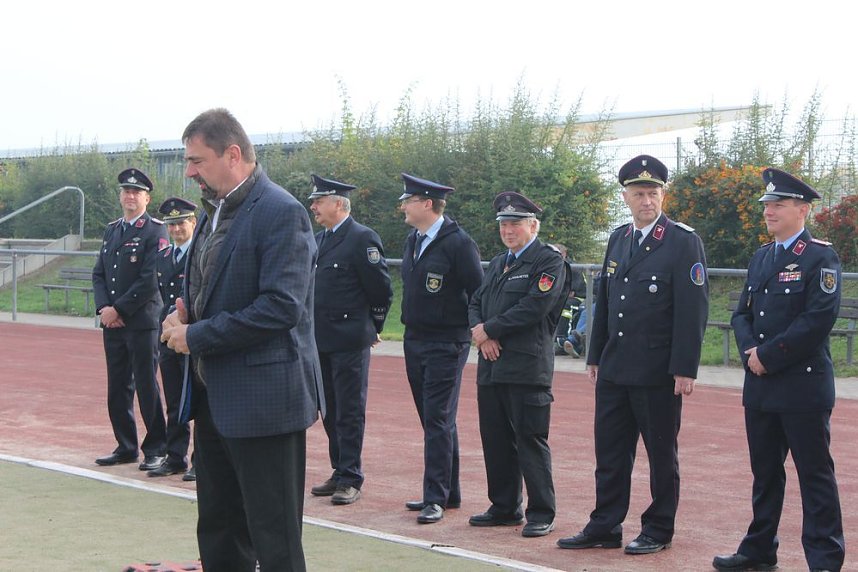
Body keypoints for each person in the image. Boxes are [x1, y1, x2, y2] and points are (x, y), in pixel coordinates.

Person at [160, 108, 323, 571]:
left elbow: (281, 307)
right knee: (219, 529)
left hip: (265, 404)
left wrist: (197, 335)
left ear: (233, 154)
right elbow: (213, 289)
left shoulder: (280, 211)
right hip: (215, 400)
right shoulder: (216, 213)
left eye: (197, 160)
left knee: (274, 538)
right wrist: (183, 316)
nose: (189, 171)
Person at [557, 155, 709, 555]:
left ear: (663, 195)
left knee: (661, 454)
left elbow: (693, 310)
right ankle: (605, 524)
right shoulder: (618, 238)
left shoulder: (681, 241)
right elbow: (605, 300)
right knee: (609, 452)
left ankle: (658, 528)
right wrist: (594, 354)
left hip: (658, 370)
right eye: (639, 193)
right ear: (625, 196)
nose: (647, 200)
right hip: (615, 365)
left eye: (653, 193)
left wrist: (684, 368)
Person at [713, 168, 845, 572]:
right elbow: (741, 315)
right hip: (762, 386)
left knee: (814, 475)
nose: (769, 211)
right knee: (765, 475)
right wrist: (751, 349)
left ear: (802, 210)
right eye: (767, 205)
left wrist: (769, 355)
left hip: (801, 386)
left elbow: (817, 319)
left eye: (779, 205)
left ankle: (824, 558)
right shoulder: (761, 257)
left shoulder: (820, 256)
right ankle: (758, 549)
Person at [468, 191, 570, 538]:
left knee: (530, 439)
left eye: (516, 224)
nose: (508, 231)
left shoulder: (549, 261)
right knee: (495, 439)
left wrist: (490, 329)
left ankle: (541, 511)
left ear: (533, 225)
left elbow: (535, 306)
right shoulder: (500, 263)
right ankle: (504, 506)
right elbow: (476, 302)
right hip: (492, 365)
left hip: (526, 368)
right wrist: (482, 334)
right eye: (504, 225)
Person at [398, 172, 484, 524]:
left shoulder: (458, 243)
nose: (403, 206)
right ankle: (448, 491)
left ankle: (435, 496)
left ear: (427, 204)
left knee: (437, 419)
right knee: (434, 419)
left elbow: (477, 290)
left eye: (408, 201)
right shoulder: (413, 240)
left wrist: (473, 328)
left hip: (446, 342)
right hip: (415, 339)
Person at [307, 174, 393, 506]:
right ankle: (338, 468)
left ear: (339, 204)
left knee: (349, 410)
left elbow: (380, 289)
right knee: (329, 408)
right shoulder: (320, 239)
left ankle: (351, 476)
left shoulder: (361, 238)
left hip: (349, 338)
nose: (313, 205)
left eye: (320, 200)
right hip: (321, 339)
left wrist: (373, 325)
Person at [93, 168, 169, 472]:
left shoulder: (155, 231)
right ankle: (126, 446)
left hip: (140, 322)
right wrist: (103, 309)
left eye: (136, 192)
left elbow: (150, 278)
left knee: (147, 386)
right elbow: (99, 274)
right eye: (126, 191)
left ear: (147, 198)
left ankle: (156, 447)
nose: (130, 196)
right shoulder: (112, 230)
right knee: (118, 387)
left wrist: (119, 310)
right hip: (112, 323)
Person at [147, 197, 197, 480]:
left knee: (200, 402)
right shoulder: (164, 257)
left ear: (193, 223)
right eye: (172, 225)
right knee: (175, 400)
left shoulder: (199, 254)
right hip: (168, 338)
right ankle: (175, 455)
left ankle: (201, 460)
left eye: (181, 223)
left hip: (192, 337)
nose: (176, 229)